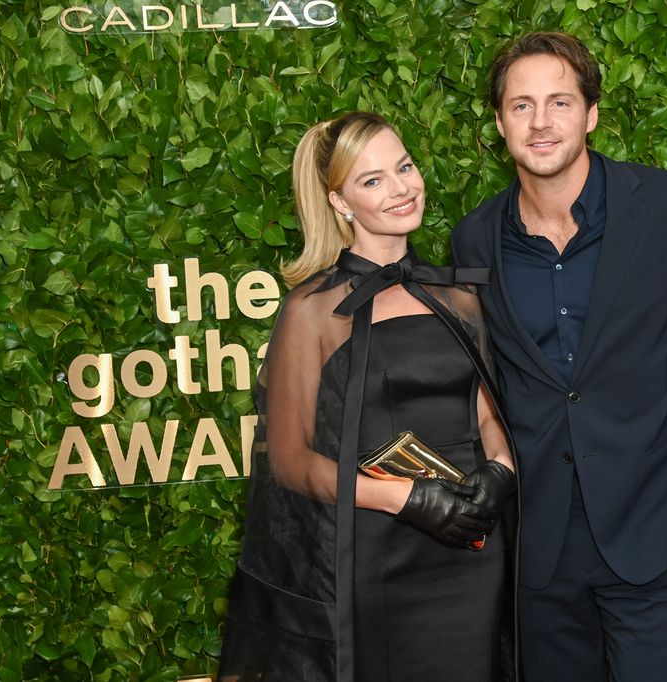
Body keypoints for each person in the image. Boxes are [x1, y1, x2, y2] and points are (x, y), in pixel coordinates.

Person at [451, 32, 667, 681]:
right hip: (540, 545)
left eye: (559, 102)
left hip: (658, 527)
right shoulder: (475, 238)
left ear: (590, 114)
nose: (540, 123)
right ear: (499, 122)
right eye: (521, 105)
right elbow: (487, 377)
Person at [219, 111, 517, 682]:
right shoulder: (312, 311)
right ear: (340, 202)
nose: (402, 188)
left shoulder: (457, 294)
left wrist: (501, 470)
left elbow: (484, 404)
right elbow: (289, 460)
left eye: (403, 167)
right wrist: (405, 499)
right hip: (377, 552)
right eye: (373, 180)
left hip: (472, 543)